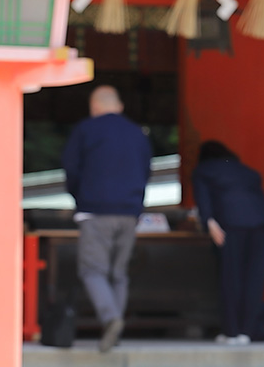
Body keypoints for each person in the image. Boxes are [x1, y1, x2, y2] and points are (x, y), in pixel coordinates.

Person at [62, 84, 153, 353]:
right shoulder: (137, 133)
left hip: (95, 210)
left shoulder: (86, 130)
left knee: (93, 270)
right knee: (119, 274)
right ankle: (115, 329)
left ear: (94, 106)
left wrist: (80, 197)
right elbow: (147, 170)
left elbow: (71, 168)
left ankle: (111, 318)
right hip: (129, 212)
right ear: (119, 106)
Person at [191, 140, 264, 344]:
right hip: (260, 225)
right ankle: (247, 332)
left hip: (231, 225)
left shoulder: (203, 170)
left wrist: (209, 222)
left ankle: (232, 331)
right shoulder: (249, 172)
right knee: (254, 279)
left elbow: (203, 200)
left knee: (231, 277)